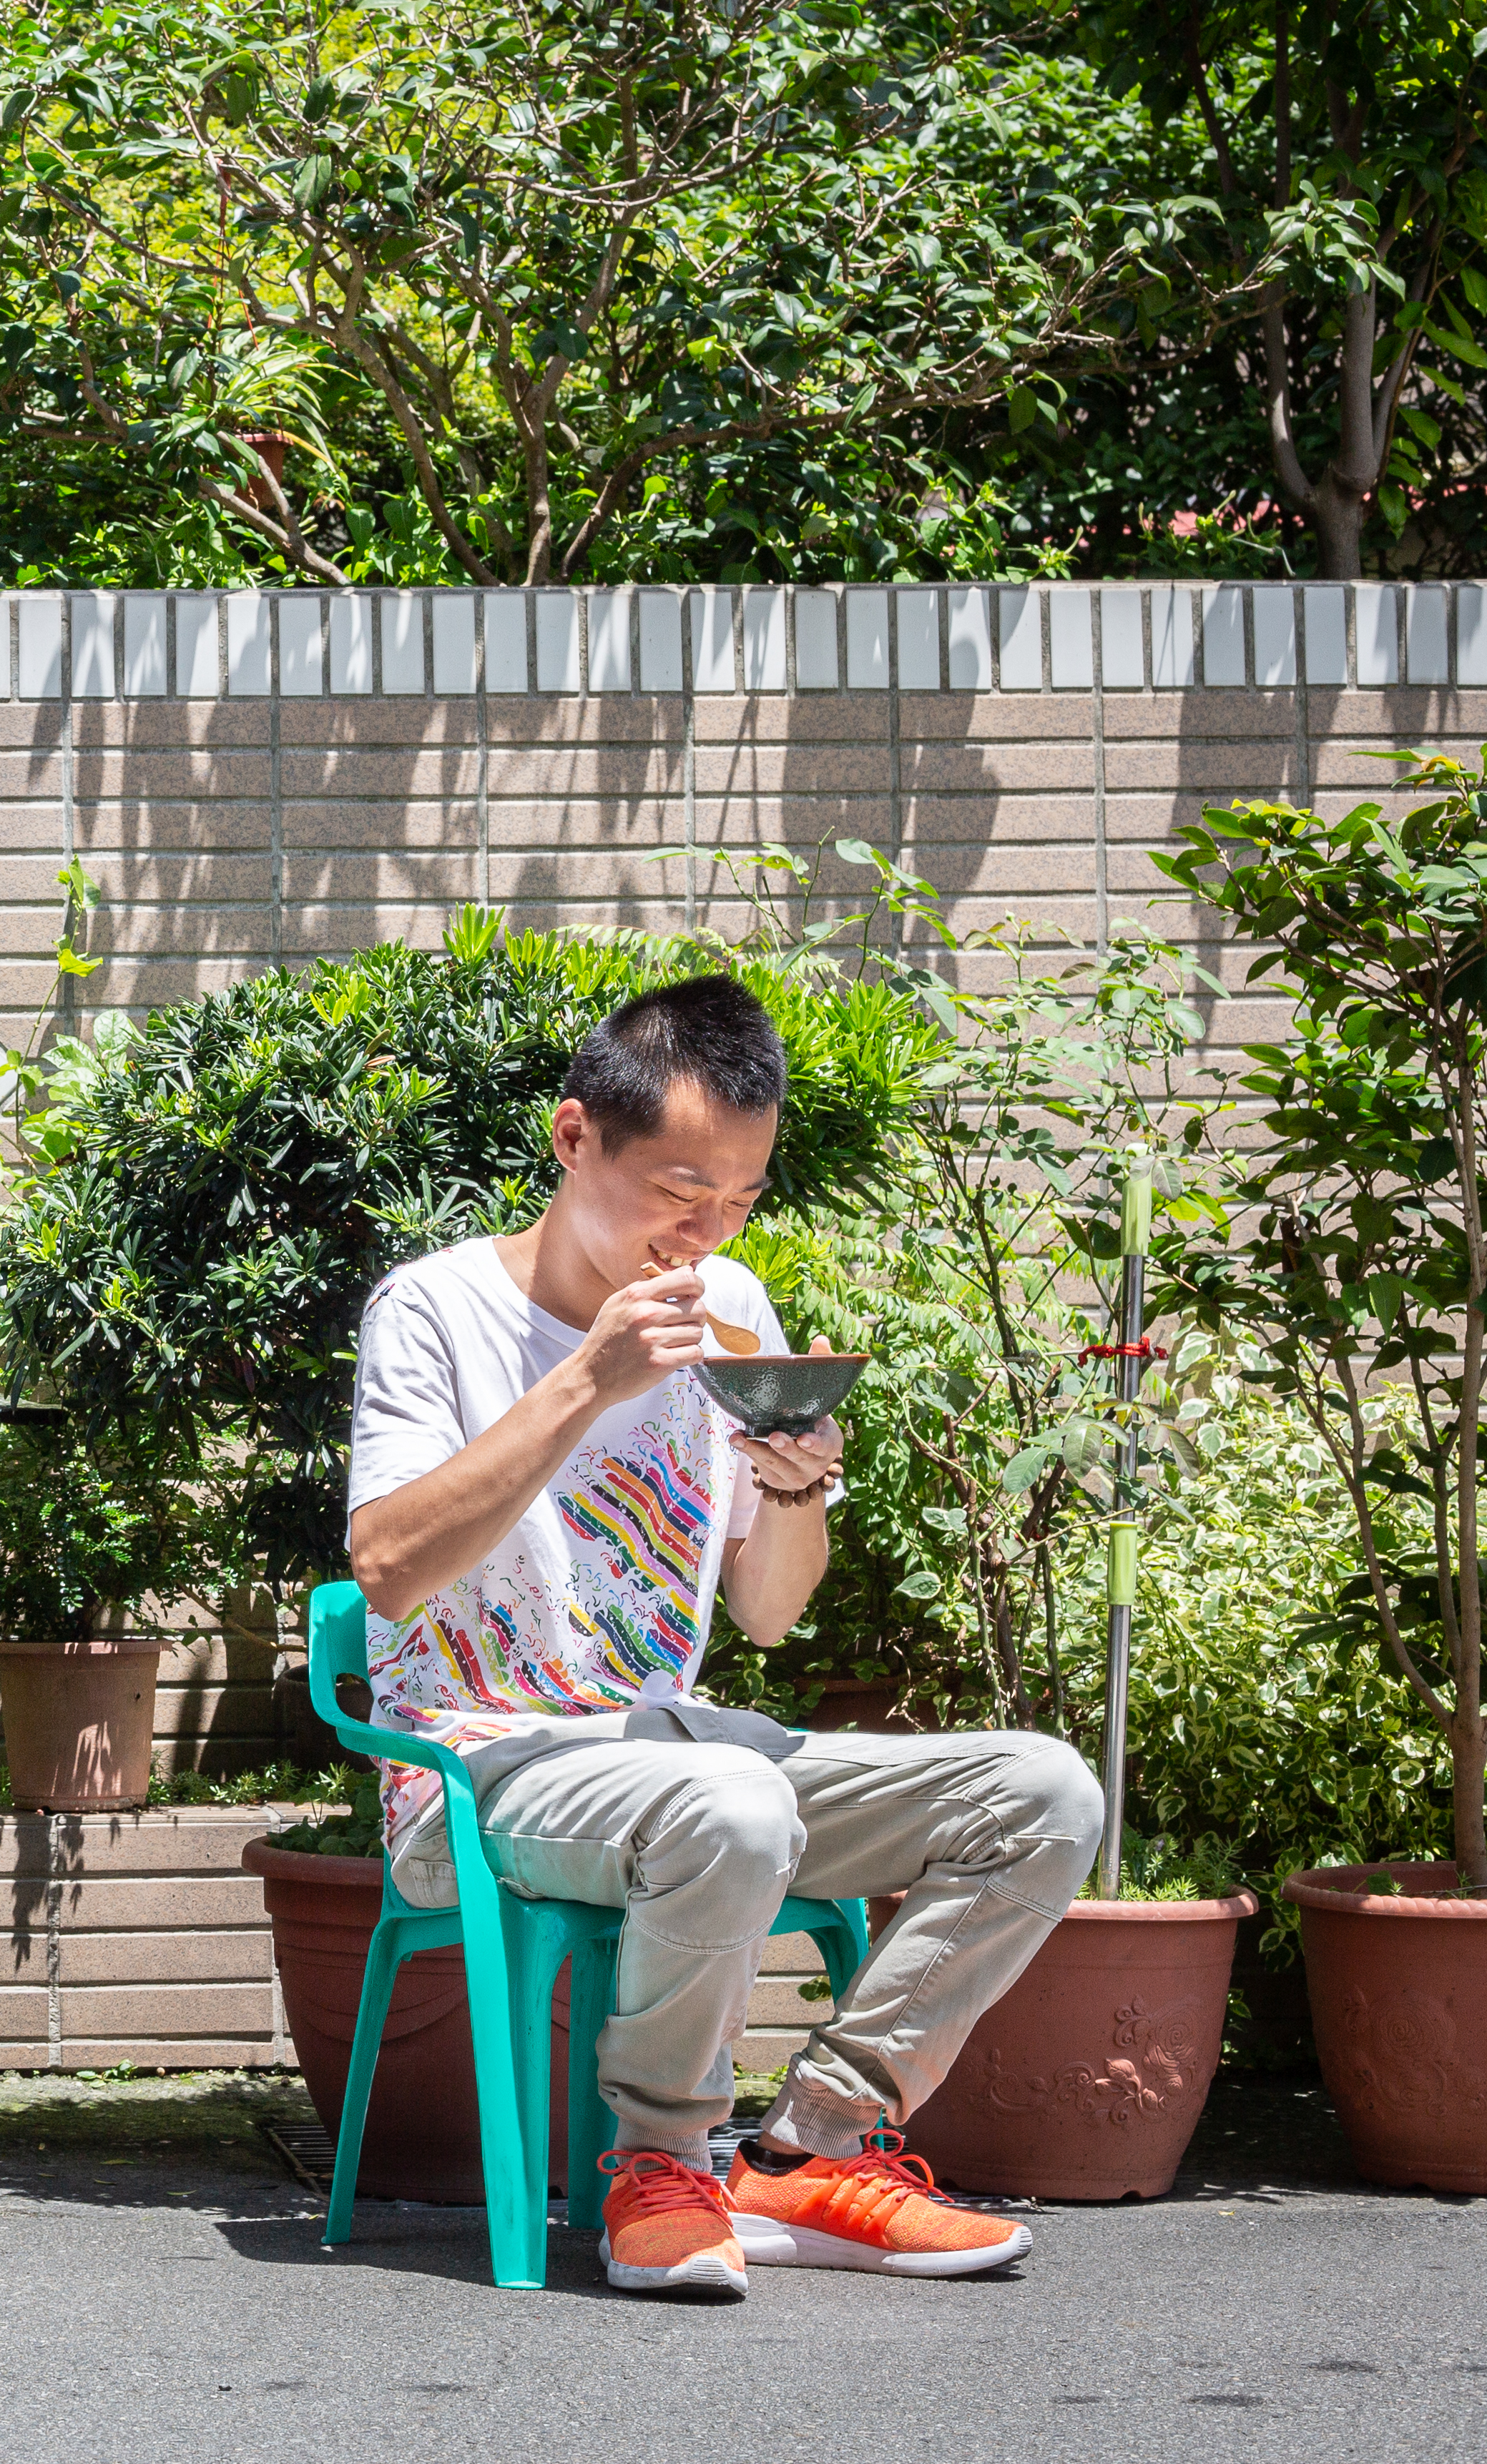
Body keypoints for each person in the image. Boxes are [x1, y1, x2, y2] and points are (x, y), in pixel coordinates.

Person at [345, 976, 1099, 2296]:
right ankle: (658, 2161)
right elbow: (391, 1568)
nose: (707, 1228)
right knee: (735, 1802)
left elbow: (766, 1609)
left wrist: (796, 1482)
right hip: (476, 1766)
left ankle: (809, 2146)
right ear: (574, 1137)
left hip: (681, 1752)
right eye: (680, 1189)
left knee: (1042, 1791)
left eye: (741, 1196)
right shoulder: (434, 1309)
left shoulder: (729, 1303)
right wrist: (587, 1380)